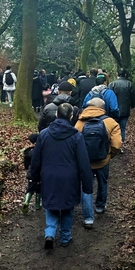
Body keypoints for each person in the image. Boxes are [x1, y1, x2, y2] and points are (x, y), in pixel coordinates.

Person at [30, 103, 94, 249]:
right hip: (69, 178)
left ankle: (50, 233)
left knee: (51, 205)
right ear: (71, 117)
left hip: (49, 176)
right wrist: (87, 185)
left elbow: (36, 159)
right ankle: (65, 237)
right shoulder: (76, 137)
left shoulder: (44, 134)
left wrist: (34, 177)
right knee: (67, 207)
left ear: (57, 115)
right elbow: (83, 162)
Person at [75, 98, 122, 227]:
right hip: (103, 161)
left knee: (86, 187)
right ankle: (100, 207)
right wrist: (110, 155)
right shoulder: (110, 122)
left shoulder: (79, 123)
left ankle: (88, 217)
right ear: (103, 108)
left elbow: (74, 143)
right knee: (103, 182)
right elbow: (117, 144)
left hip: (85, 163)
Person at [108, 68, 135, 146]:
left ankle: (113, 144)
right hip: (125, 110)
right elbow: (133, 97)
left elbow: (108, 97)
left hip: (113, 110)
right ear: (125, 74)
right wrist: (132, 105)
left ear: (117, 74)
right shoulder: (129, 84)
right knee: (122, 128)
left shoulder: (112, 84)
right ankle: (121, 145)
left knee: (113, 128)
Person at [22, 133, 41, 214]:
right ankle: (37, 205)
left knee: (30, 188)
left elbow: (26, 165)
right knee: (39, 189)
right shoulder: (40, 150)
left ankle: (26, 201)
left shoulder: (28, 152)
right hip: (39, 173)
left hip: (31, 173)